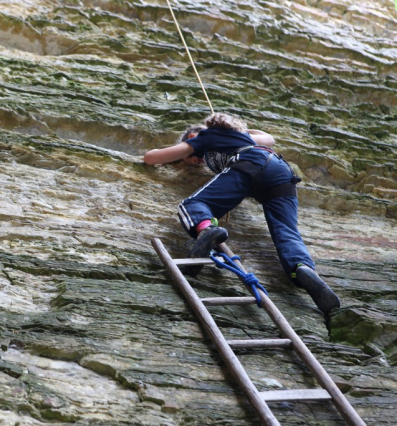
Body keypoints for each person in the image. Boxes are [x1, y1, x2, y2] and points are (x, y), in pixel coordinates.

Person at [144, 113, 340, 316]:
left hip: (249, 163)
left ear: (193, 137)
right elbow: (269, 138)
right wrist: (236, 129)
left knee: (193, 203)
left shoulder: (204, 138)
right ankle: (302, 268)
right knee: (287, 232)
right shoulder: (244, 137)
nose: (194, 161)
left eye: (190, 157)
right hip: (281, 172)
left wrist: (201, 139)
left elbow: (151, 158)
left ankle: (205, 230)